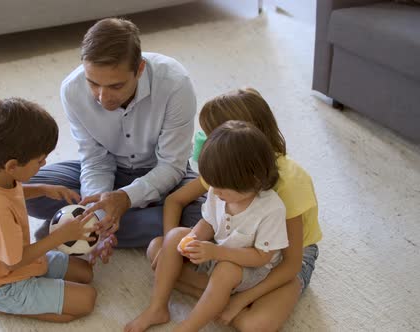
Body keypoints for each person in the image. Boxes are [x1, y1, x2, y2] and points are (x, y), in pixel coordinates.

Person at [26, 18, 204, 257]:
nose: (102, 98)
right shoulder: (72, 90)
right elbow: (95, 160)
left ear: (139, 69)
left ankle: (70, 228)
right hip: (110, 170)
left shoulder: (175, 84)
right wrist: (98, 212)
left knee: (207, 213)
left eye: (116, 86)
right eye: (93, 84)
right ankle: (95, 227)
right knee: (25, 190)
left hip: (163, 174)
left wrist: (126, 198)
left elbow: (171, 166)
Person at [147, 88, 322, 331]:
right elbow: (175, 201)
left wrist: (241, 300)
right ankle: (217, 294)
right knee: (159, 250)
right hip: (232, 249)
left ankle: (223, 296)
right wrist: (176, 251)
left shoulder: (288, 184)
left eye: (212, 136)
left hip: (284, 259)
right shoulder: (222, 169)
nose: (207, 145)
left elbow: (289, 264)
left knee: (255, 324)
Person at [125, 120, 288, 332]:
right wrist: (192, 238)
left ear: (253, 179)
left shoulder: (271, 208)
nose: (215, 192)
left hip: (252, 269)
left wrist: (217, 252)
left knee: (226, 271)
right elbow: (209, 222)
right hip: (217, 252)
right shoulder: (217, 192)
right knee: (171, 238)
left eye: (221, 188)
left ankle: (189, 326)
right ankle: (157, 308)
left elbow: (261, 257)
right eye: (212, 185)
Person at [0, 97, 98, 322]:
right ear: (12, 166)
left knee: (86, 273)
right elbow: (14, 261)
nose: (44, 165)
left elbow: (12, 194)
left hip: (13, 261)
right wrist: (60, 237)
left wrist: (43, 189)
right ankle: (0, 304)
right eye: (40, 161)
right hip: (4, 283)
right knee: (86, 300)